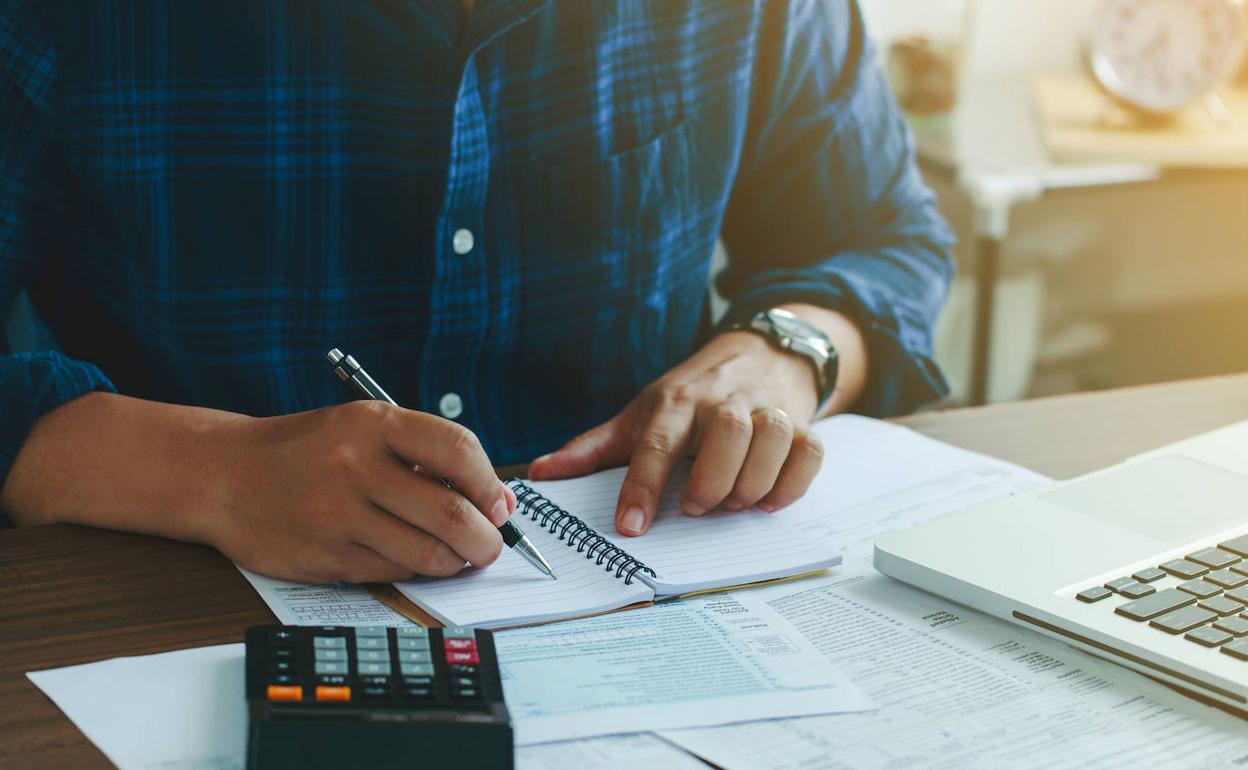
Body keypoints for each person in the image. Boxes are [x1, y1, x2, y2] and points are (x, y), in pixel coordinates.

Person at [0, 0, 953, 584]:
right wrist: (217, 471)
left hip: (652, 588)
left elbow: (881, 238)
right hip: (171, 612)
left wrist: (780, 353)